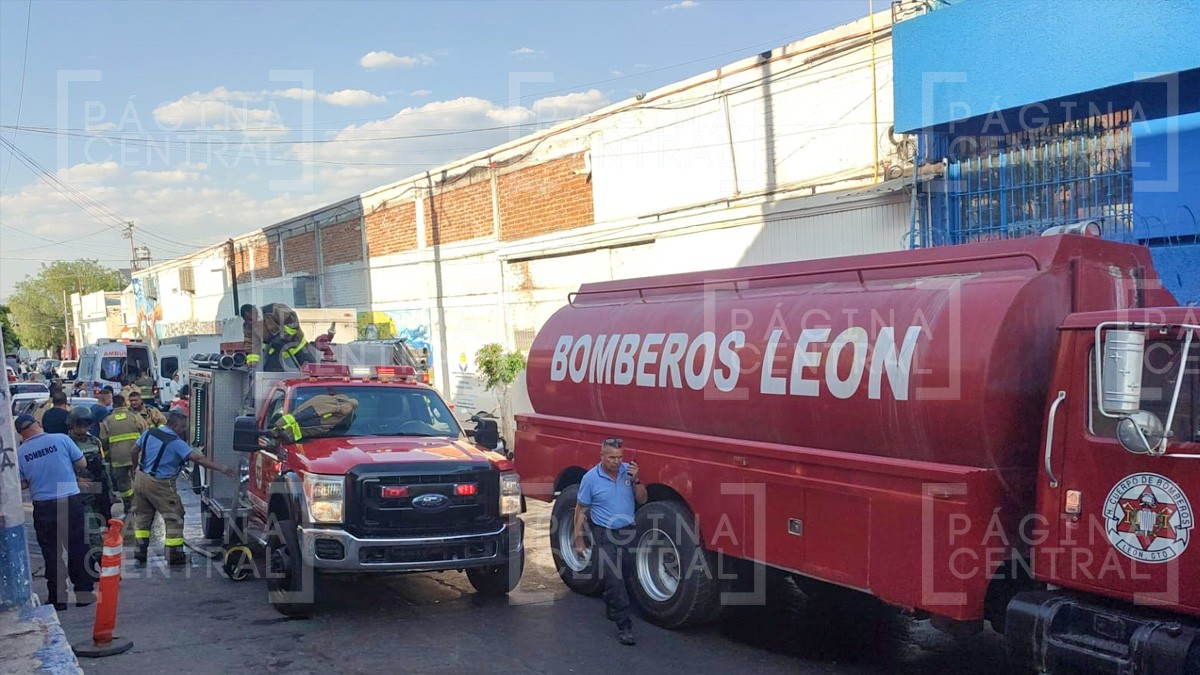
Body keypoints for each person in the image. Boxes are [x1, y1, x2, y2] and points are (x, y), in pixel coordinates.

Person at [15, 414, 96, 610]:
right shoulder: (61, 439)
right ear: (38, 424)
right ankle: (84, 594)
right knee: (77, 547)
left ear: (20, 434)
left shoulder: (20, 453)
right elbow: (82, 463)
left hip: (44, 506)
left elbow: (21, 484)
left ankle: (58, 599)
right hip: (69, 501)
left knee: (52, 553)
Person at [131, 410, 234, 565]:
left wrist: (134, 468)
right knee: (174, 517)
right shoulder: (175, 442)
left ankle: (140, 551)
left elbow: (134, 450)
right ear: (175, 425)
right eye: (183, 426)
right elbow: (197, 458)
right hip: (160, 483)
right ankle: (174, 555)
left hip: (141, 477)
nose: (184, 429)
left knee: (142, 517)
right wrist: (221, 468)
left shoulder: (149, 433)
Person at [573, 437, 647, 646]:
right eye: (612, 457)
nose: (617, 461)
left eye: (620, 457)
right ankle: (624, 626)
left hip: (628, 531)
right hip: (604, 533)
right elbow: (581, 510)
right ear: (602, 456)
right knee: (615, 579)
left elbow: (643, 499)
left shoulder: (628, 472)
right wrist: (578, 538)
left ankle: (610, 599)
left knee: (627, 573)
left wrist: (637, 480)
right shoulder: (590, 479)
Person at [67, 406, 114, 547]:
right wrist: (77, 481)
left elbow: (103, 465)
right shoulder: (67, 443)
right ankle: (96, 553)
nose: (83, 427)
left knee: (102, 521)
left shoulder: (94, 441)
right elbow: (63, 469)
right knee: (89, 525)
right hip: (81, 490)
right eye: (79, 424)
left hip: (99, 486)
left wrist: (110, 491)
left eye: (86, 424)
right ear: (72, 424)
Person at [99, 393, 149, 518]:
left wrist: (107, 456)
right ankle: (142, 505)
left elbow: (103, 441)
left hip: (117, 458)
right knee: (138, 480)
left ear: (113, 405)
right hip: (136, 456)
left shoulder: (107, 421)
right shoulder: (135, 417)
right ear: (124, 403)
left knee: (123, 484)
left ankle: (129, 505)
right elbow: (145, 432)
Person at [260, 302, 315, 372]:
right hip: (275, 352)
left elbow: (293, 324)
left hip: (297, 347)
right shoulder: (251, 326)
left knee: (313, 371)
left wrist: (282, 337)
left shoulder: (275, 309)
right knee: (271, 375)